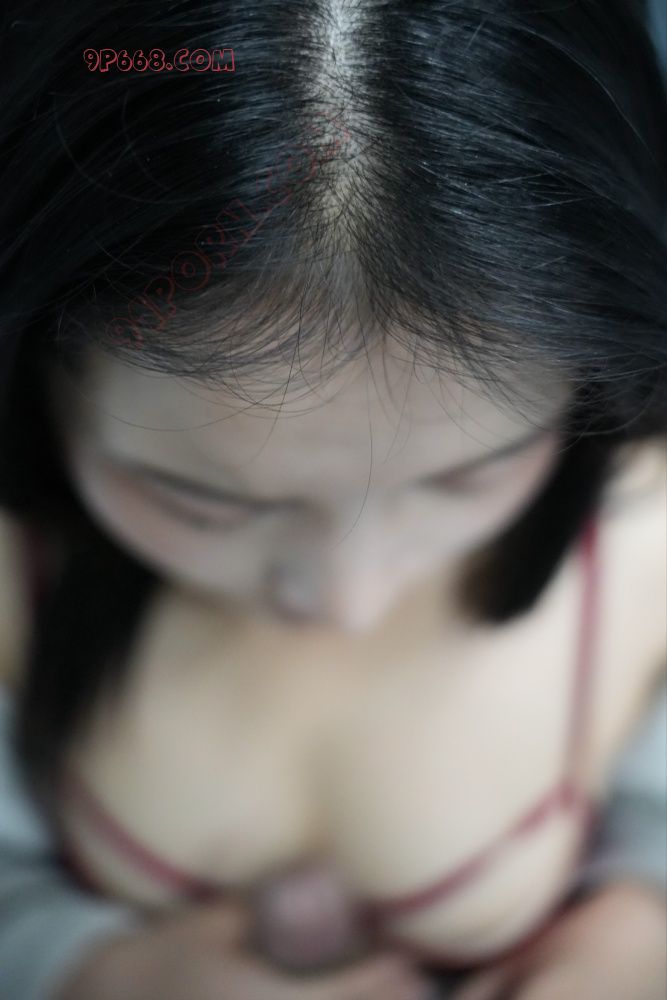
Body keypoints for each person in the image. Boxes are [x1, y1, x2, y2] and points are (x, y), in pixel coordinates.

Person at [0, 2, 665, 998]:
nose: (350, 600)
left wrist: (640, 927)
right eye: (202, 501)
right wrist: (85, 964)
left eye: (467, 476)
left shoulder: (648, 531)